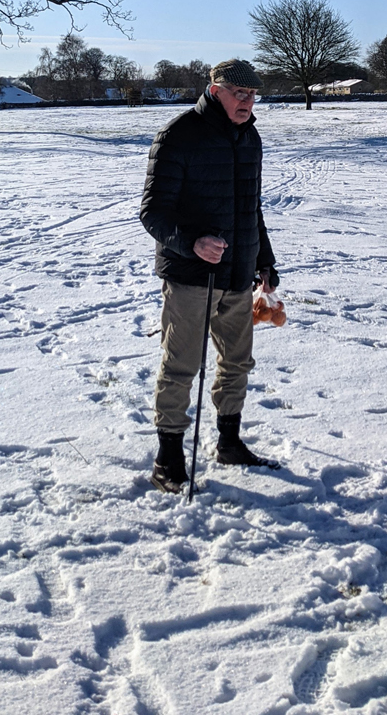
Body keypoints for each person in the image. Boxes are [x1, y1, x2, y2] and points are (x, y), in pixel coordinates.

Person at [140, 58, 281, 492]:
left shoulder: (249, 137)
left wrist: (265, 260)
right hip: (189, 277)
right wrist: (194, 242)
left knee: (237, 361)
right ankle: (168, 457)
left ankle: (229, 441)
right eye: (240, 94)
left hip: (238, 273)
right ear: (215, 89)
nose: (248, 102)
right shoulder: (178, 136)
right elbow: (152, 214)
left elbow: (249, 207)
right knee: (181, 365)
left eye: (254, 95)